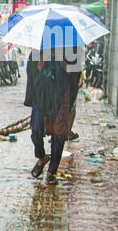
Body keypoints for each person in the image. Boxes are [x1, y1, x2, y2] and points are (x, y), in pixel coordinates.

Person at [24, 48, 82, 185]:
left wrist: (62, 62)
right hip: (41, 96)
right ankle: (42, 157)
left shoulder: (70, 50)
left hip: (61, 97)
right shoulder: (38, 51)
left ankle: (51, 172)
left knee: (59, 135)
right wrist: (41, 64)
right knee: (36, 130)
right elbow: (32, 73)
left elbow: (74, 73)